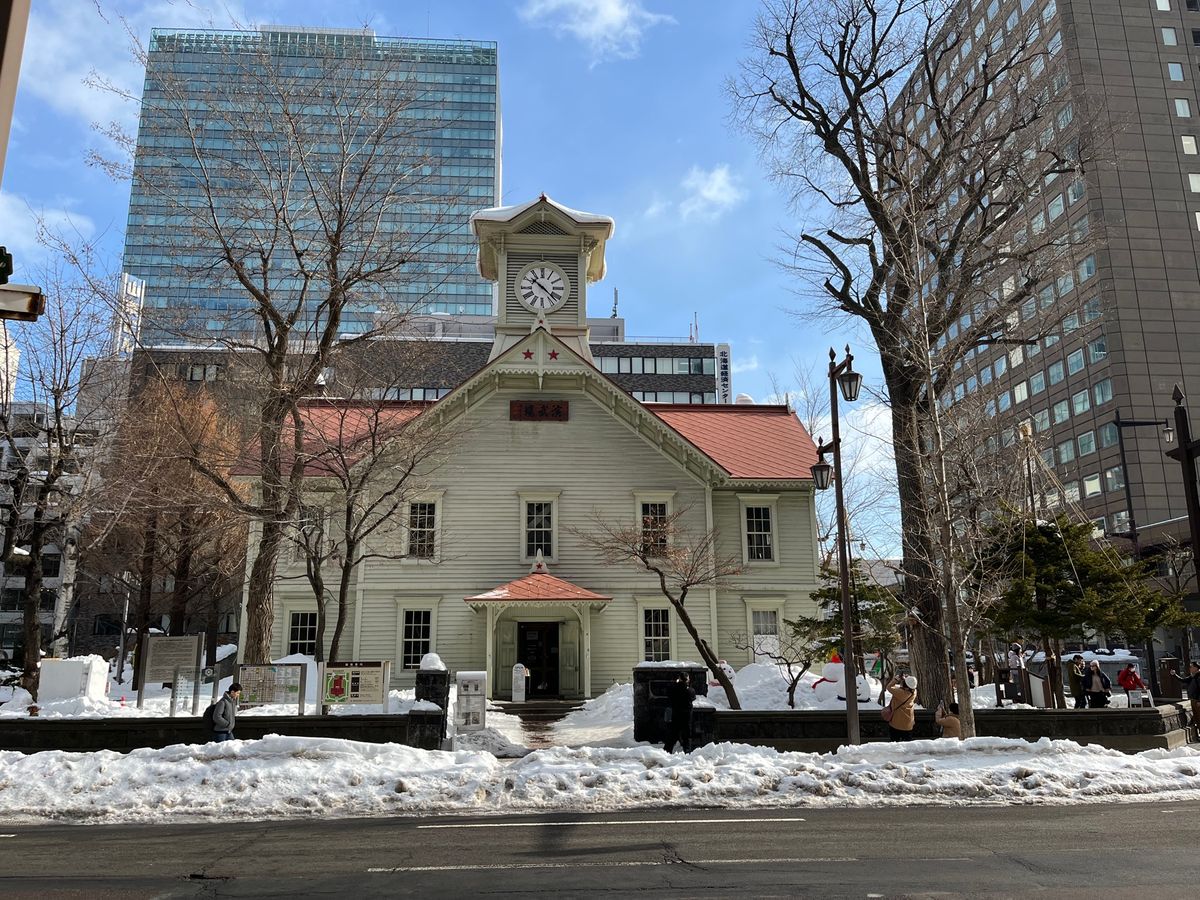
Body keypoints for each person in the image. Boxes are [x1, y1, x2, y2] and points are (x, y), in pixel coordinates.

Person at [662, 674, 695, 753]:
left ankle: (666, 751)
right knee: (686, 736)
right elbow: (693, 697)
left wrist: (676, 683)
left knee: (672, 735)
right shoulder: (690, 690)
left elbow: (669, 694)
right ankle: (687, 752)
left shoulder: (673, 689)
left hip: (676, 714)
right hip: (686, 716)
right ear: (687, 680)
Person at [884, 674, 917, 741]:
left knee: (895, 743)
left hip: (897, 723)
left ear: (905, 685)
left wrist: (895, 680)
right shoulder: (914, 692)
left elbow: (889, 687)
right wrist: (906, 680)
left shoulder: (900, 693)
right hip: (908, 724)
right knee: (907, 744)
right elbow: (908, 686)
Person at [1170, 661, 1200, 729]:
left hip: (1197, 700)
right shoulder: (1193, 676)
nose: (1190, 668)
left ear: (1196, 668)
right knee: (1197, 718)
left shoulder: (1198, 676)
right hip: (1193, 699)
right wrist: (1174, 675)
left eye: (1191, 667)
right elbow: (1183, 680)